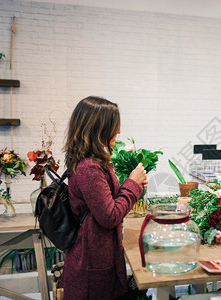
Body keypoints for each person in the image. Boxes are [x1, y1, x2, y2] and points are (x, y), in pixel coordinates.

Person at [61, 96, 148, 300]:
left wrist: (132, 185)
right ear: (98, 128)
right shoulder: (89, 168)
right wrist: (133, 183)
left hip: (96, 253)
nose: (118, 131)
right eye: (113, 125)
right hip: (91, 262)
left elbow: (106, 203)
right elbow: (109, 215)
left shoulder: (91, 162)